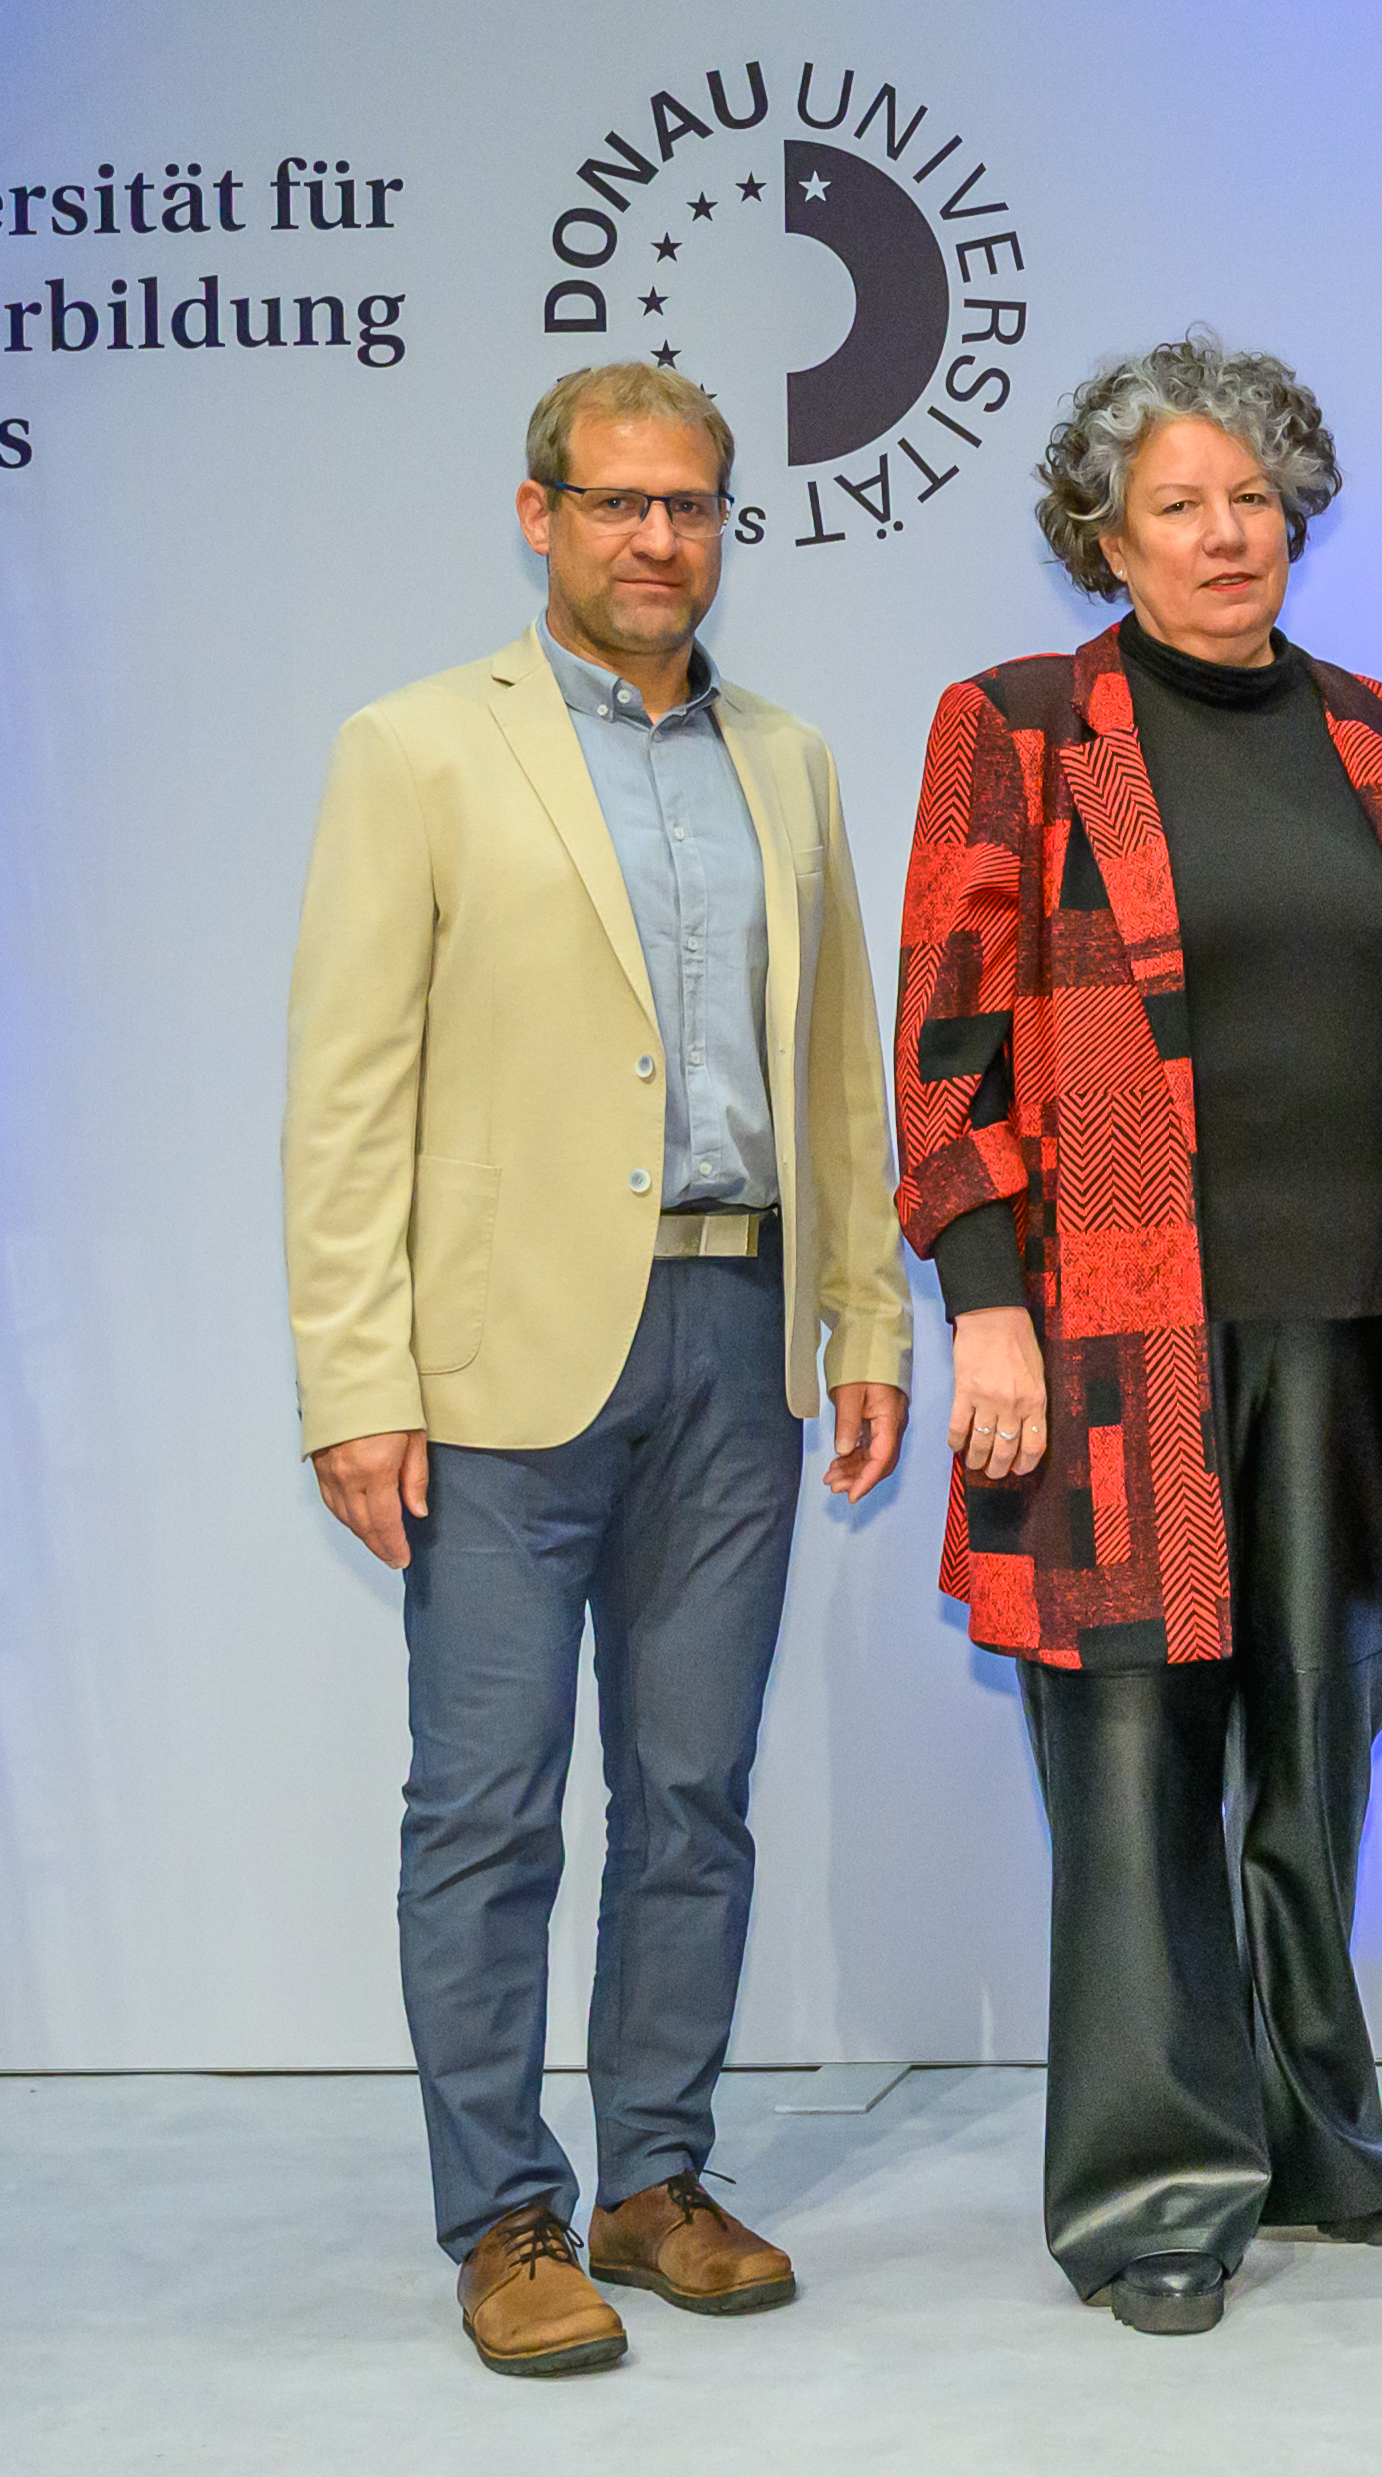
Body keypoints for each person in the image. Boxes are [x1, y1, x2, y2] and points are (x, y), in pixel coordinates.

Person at [891, 334, 1382, 2337]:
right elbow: (945, 1049)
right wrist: (984, 1307)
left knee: (1315, 1744)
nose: (1223, 532)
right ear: (1105, 534)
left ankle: (1312, 2125)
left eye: (1254, 498)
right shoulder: (1016, 726)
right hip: (1109, 1339)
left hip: (1354, 1326)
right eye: (1177, 503)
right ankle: (1153, 2181)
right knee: (1136, 1757)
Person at [284, 363, 911, 2376]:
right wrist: (353, 1378)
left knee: (694, 1789)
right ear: (538, 513)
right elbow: (348, 1094)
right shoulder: (413, 749)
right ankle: (504, 2214)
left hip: (741, 1330)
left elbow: (838, 1075)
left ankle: (654, 2176)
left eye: (692, 505)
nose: (659, 538)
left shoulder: (788, 759)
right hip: (498, 1357)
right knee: (486, 1805)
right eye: (621, 502)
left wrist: (868, 1312)